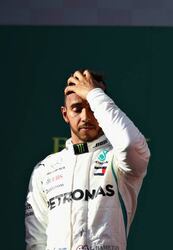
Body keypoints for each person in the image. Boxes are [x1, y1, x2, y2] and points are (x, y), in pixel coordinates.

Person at [25, 69, 150, 250]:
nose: (85, 117)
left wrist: (93, 94)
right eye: (77, 108)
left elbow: (129, 144)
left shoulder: (118, 160)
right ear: (65, 114)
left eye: (92, 108)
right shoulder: (45, 169)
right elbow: (36, 242)